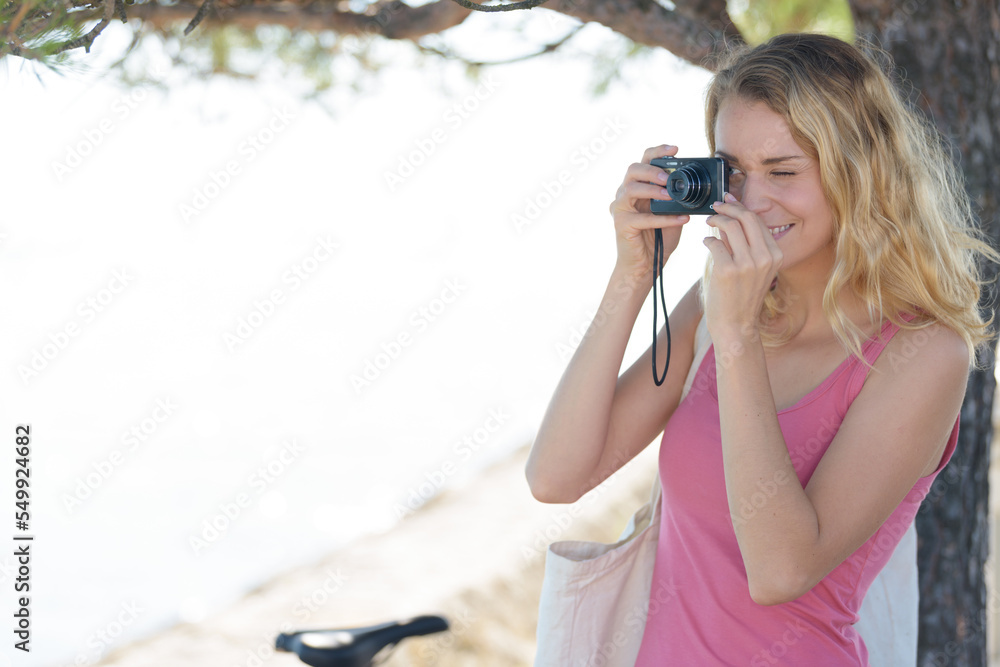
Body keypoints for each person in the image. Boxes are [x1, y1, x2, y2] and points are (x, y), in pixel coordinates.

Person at [525, 32, 998, 664]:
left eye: (783, 171)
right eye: (733, 171)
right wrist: (634, 276)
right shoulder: (715, 300)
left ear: (859, 172)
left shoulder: (920, 352)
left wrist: (740, 338)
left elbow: (779, 571)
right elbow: (556, 477)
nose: (751, 199)